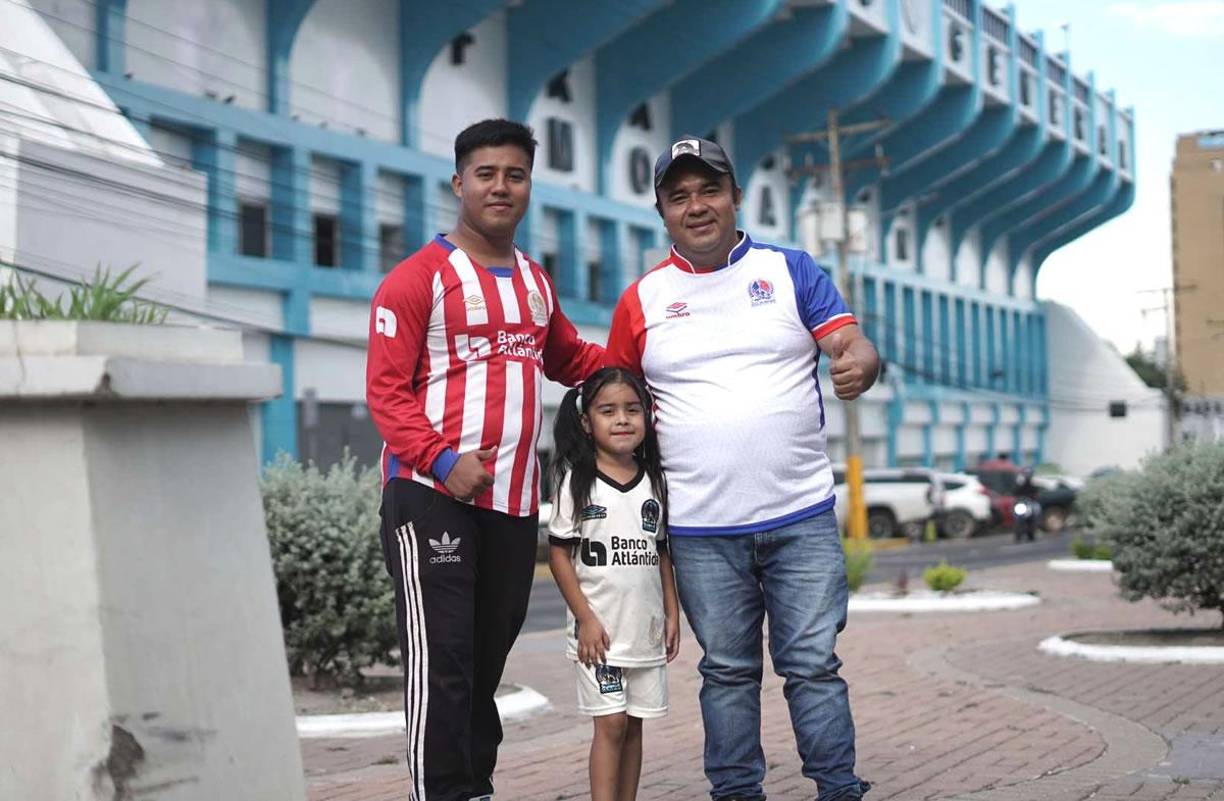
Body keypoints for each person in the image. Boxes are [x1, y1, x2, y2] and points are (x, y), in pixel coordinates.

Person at [605, 136, 880, 801]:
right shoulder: (642, 299)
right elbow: (614, 401)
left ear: (734, 196)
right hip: (700, 530)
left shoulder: (790, 270)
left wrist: (860, 362)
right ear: (662, 211)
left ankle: (838, 789)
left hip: (801, 518)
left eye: (708, 190)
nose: (696, 205)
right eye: (680, 195)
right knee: (726, 670)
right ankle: (736, 792)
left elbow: (849, 342)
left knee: (812, 665)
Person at [366, 118, 604, 801]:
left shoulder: (534, 281)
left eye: (515, 174)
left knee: (485, 657)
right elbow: (384, 391)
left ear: (529, 185)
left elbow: (571, 360)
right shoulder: (418, 279)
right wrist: (441, 460)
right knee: (445, 662)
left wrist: (646, 363)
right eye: (486, 174)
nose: (501, 186)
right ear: (459, 183)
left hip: (513, 503)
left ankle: (475, 786)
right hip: (432, 496)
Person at [547, 366, 680, 801]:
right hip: (599, 634)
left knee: (635, 723)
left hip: (644, 630)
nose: (622, 419)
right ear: (587, 423)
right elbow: (560, 554)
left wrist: (672, 611)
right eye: (608, 411)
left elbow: (660, 552)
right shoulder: (576, 482)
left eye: (632, 409)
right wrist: (585, 618)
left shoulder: (655, 482)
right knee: (612, 723)